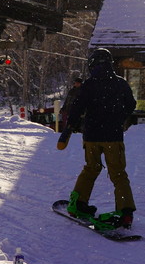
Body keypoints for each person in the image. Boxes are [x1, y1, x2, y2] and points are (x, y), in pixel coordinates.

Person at [58, 49, 138, 228]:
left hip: (92, 136)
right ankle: (125, 213)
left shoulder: (88, 85)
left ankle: (78, 204)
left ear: (92, 64)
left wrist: (70, 128)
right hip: (113, 136)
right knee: (118, 174)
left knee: (90, 169)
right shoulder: (120, 83)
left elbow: (76, 109)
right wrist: (119, 117)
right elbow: (131, 104)